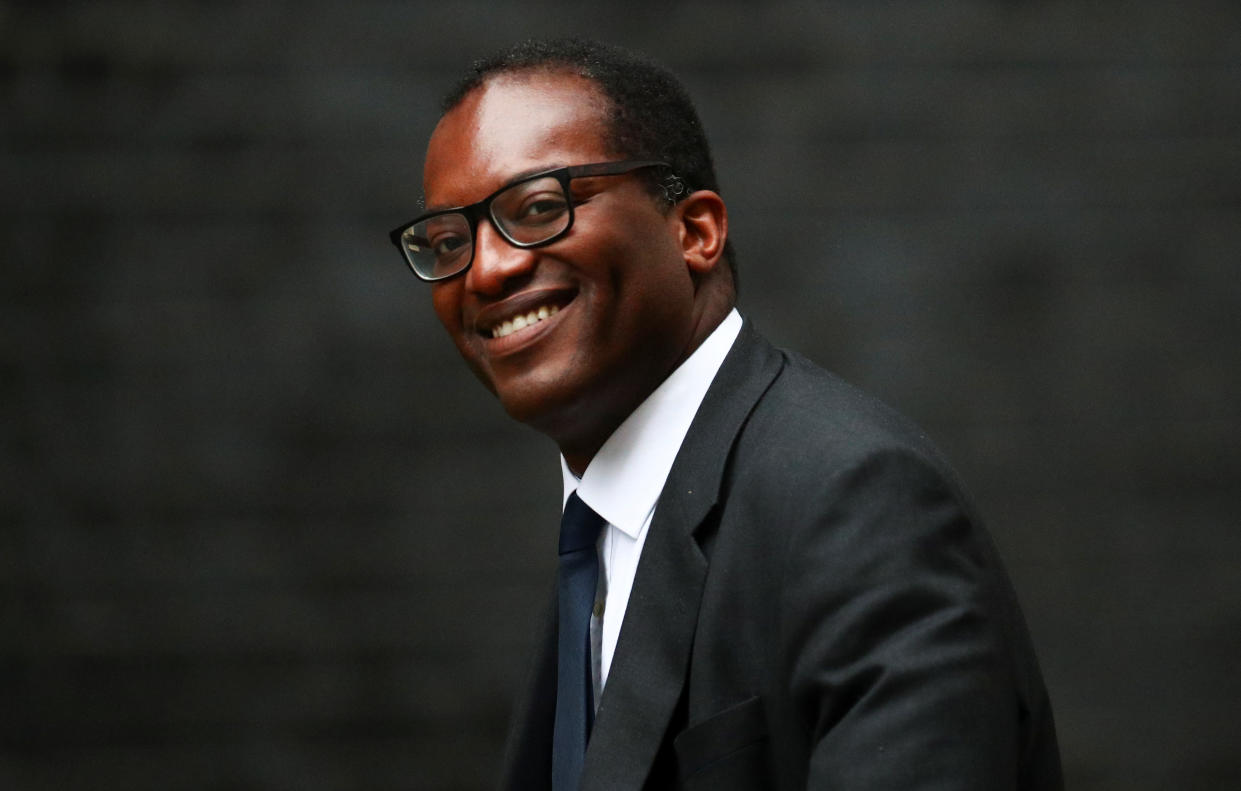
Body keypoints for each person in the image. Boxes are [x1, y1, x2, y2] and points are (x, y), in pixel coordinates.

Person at [390, 38, 1062, 791]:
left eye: (539, 207)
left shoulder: (852, 498)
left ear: (694, 232)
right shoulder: (604, 532)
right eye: (448, 240)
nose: (486, 268)